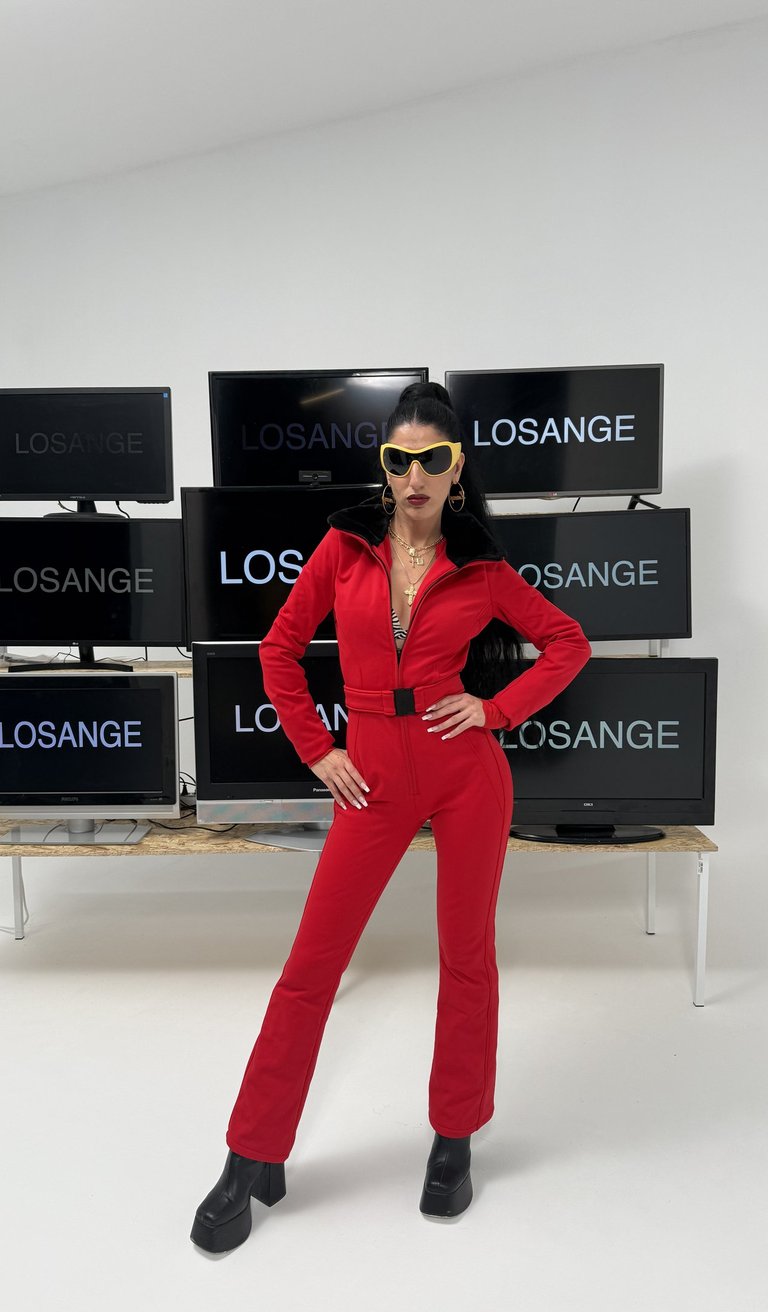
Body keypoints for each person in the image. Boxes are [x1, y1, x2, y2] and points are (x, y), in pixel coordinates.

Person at [191, 381, 591, 1253]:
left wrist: (495, 711)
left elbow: (569, 643)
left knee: (466, 957)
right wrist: (317, 750)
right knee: (311, 966)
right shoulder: (344, 548)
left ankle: (454, 1138)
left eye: (431, 460)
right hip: (369, 776)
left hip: (465, 775)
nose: (414, 476)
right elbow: (279, 649)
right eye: (398, 459)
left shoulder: (481, 566)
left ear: (456, 469)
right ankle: (251, 1152)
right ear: (384, 467)